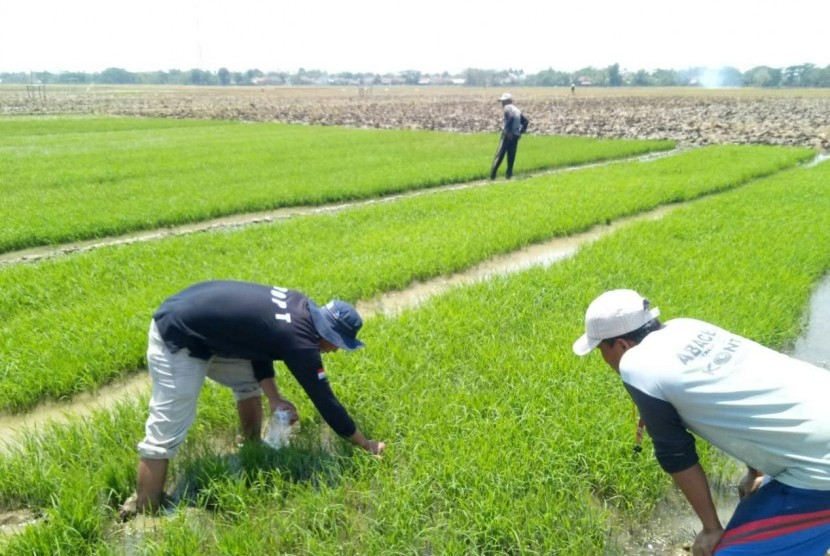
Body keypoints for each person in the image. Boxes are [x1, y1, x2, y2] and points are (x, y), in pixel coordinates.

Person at [572, 289, 830, 556]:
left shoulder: (636, 365)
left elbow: (675, 454)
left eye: (601, 349)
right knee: (753, 507)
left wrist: (711, 529)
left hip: (821, 465)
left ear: (622, 345)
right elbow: (739, 388)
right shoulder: (686, 327)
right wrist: (756, 472)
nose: (604, 360)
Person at [123, 280, 386, 517]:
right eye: (339, 343)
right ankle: (147, 510)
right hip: (178, 334)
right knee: (168, 426)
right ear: (329, 333)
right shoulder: (301, 341)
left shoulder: (299, 307)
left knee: (247, 383)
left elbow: (259, 345)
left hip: (203, 330)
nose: (336, 350)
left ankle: (251, 448)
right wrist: (365, 444)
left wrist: (275, 398)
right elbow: (325, 400)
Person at [489, 92, 529, 180]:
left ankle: (492, 176)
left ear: (508, 101)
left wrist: (508, 131)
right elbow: (526, 121)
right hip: (515, 136)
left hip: (507, 136)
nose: (502, 103)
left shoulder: (507, 108)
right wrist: (520, 132)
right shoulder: (517, 110)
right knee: (511, 156)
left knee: (500, 155)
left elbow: (510, 117)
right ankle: (508, 176)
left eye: (503, 101)